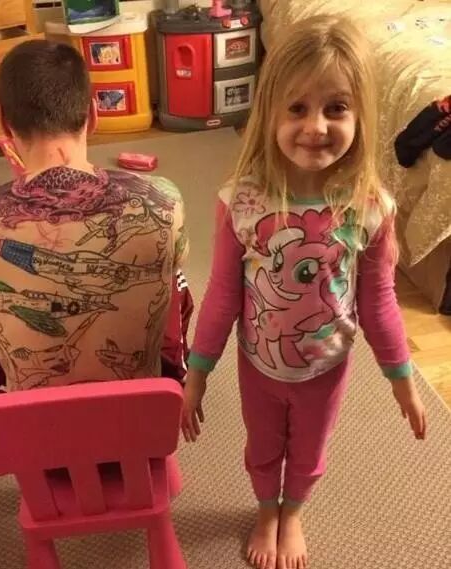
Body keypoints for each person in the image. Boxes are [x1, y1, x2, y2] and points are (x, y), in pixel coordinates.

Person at [181, 15, 427, 569]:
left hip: (326, 370)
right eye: (297, 108)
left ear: (360, 116)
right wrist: (196, 374)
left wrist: (402, 381)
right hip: (258, 365)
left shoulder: (370, 207)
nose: (316, 126)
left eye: (336, 108)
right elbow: (221, 296)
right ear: (270, 112)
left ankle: (292, 512)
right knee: (262, 447)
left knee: (311, 452)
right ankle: (266, 509)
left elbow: (379, 302)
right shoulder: (241, 202)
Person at [0, 39, 190, 392]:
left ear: (2, 120)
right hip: (139, 414)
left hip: (31, 419)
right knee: (174, 276)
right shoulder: (165, 202)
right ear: (93, 114)